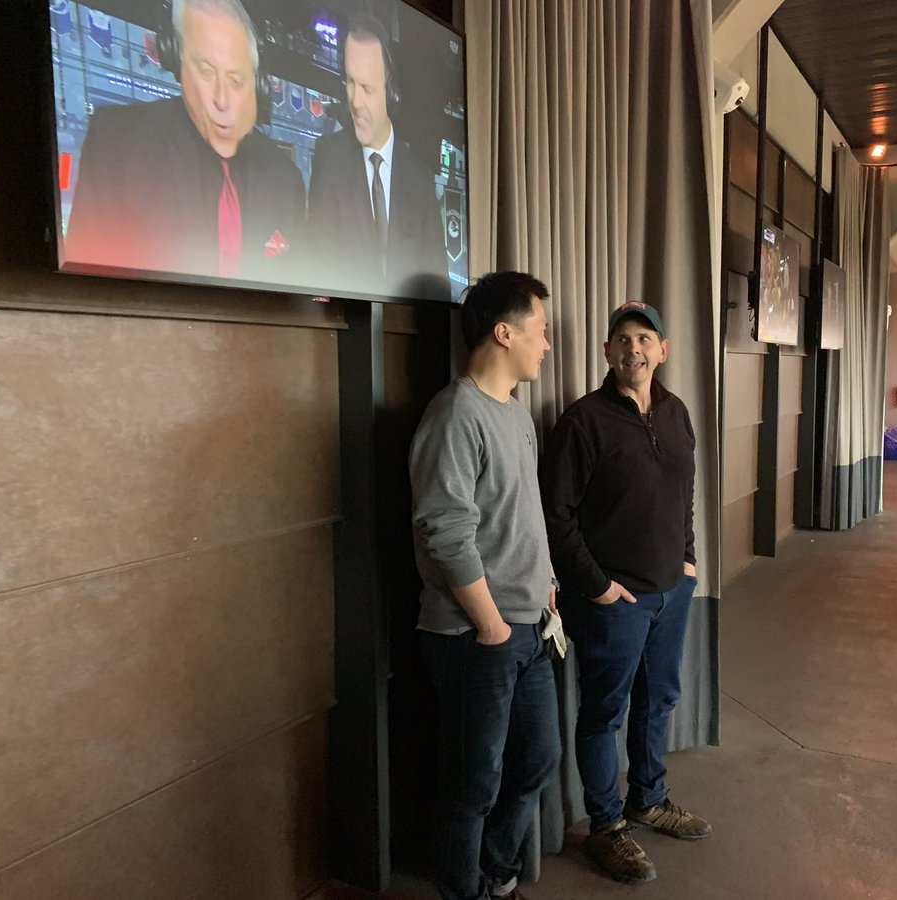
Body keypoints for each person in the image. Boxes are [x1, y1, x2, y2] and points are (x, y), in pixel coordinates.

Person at [540, 301, 707, 886]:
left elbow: (682, 492)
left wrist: (688, 558)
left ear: (662, 350)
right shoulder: (583, 421)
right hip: (615, 601)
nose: (633, 348)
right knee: (604, 712)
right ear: (607, 353)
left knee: (658, 699)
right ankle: (607, 826)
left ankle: (647, 799)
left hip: (671, 592)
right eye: (621, 339)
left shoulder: (677, 412)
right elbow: (556, 515)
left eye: (644, 337)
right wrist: (598, 586)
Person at [409, 271, 560, 900]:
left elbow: (521, 513)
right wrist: (492, 624)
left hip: (529, 629)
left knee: (537, 761)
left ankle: (495, 877)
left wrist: (546, 583)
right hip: (476, 637)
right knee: (474, 784)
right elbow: (445, 530)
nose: (547, 345)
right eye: (541, 331)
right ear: (504, 332)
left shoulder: (515, 415)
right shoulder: (455, 413)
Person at [64, 0, 306, 282]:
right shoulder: (117, 143)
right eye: (206, 71)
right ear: (178, 60)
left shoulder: (285, 178)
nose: (222, 100)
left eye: (236, 80)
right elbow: (89, 288)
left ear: (257, 84)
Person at [305, 13, 450, 301]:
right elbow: (316, 263)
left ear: (391, 92)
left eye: (368, 89)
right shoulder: (328, 157)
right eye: (350, 82)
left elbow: (438, 287)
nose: (355, 102)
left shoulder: (419, 179)